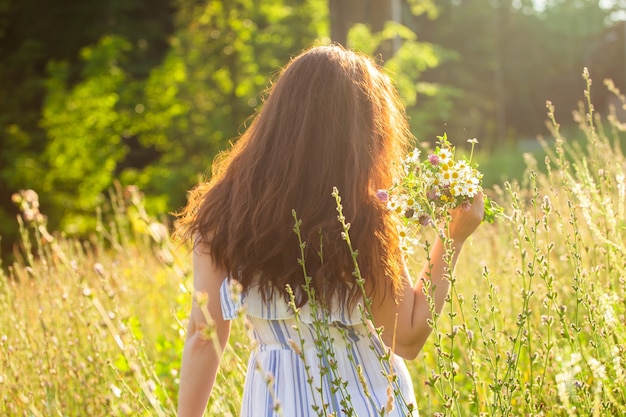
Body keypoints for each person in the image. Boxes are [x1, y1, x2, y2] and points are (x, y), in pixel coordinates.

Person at [175, 44, 484, 417]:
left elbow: (203, 338)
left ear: (277, 118)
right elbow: (407, 338)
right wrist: (452, 237)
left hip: (274, 404)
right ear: (364, 133)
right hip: (367, 401)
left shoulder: (223, 212)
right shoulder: (363, 215)